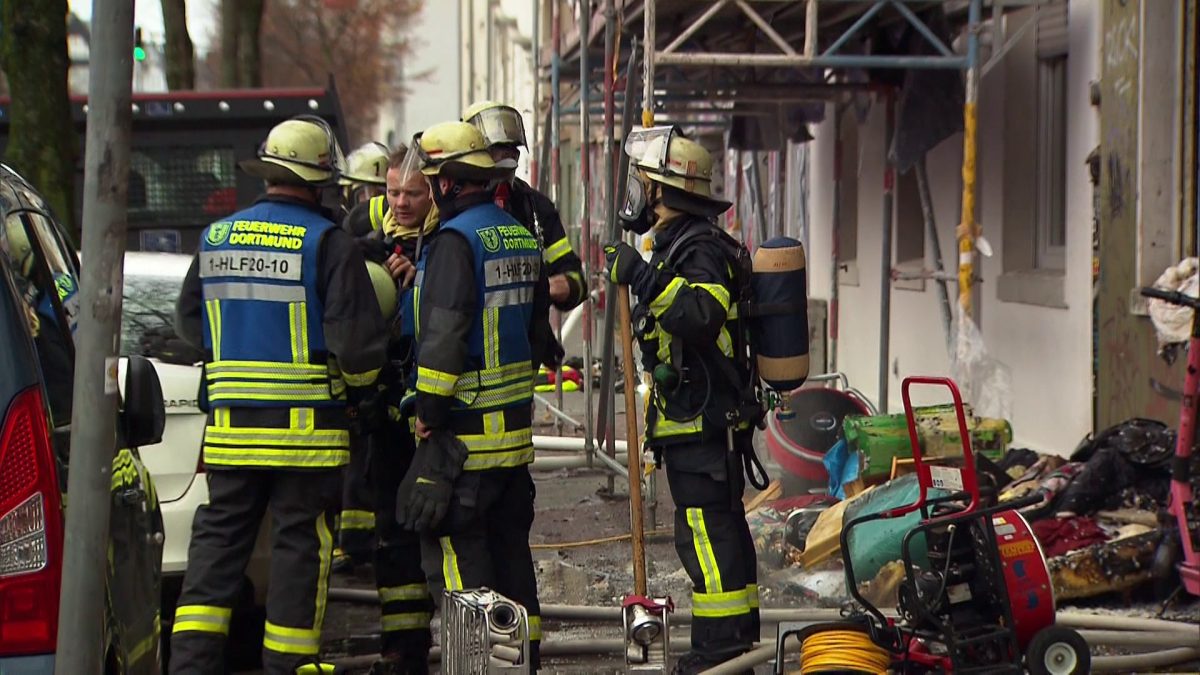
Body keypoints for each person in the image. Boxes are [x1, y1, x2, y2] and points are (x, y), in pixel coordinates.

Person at [170, 115, 387, 675]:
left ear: (269, 174)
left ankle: (191, 665)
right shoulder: (329, 243)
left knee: (217, 547)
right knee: (298, 549)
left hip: (229, 433)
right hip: (305, 439)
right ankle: (287, 668)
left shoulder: (216, 237)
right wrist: (363, 400)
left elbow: (189, 322)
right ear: (320, 183)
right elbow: (357, 345)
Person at [604, 126, 761, 674]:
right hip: (705, 424)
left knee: (707, 540)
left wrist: (641, 276)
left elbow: (699, 316)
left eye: (642, 182)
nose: (636, 193)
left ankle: (718, 655)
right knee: (723, 534)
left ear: (662, 191)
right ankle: (739, 647)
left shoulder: (695, 249)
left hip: (701, 425)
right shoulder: (691, 243)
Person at [397, 120, 552, 671]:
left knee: (464, 572)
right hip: (513, 442)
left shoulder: (454, 244)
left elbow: (443, 336)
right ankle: (522, 663)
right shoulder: (517, 234)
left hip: (463, 444)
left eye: (434, 178)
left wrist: (427, 415)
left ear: (449, 183)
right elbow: (537, 335)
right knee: (513, 567)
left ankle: (480, 667)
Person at [349, 145, 440, 675]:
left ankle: (458, 636)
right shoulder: (363, 232)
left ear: (432, 193)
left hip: (429, 404)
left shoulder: (442, 240)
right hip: (385, 403)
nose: (400, 203)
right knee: (394, 528)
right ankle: (402, 649)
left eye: (412, 193)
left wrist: (417, 276)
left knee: (438, 527)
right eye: (392, 192)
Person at [330, 141, 391, 575]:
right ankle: (353, 539)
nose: (369, 203)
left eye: (376, 193)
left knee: (375, 456)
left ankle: (367, 536)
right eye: (362, 193)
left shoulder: (409, 232)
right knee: (353, 454)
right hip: (355, 358)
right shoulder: (340, 233)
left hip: (388, 352)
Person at [461, 100, 586, 313]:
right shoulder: (452, 205)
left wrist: (562, 286)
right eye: (498, 147)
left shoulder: (535, 206)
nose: (509, 155)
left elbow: (577, 281)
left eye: (513, 148)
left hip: (530, 340)